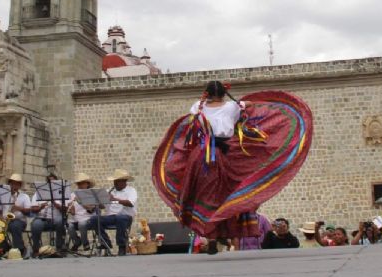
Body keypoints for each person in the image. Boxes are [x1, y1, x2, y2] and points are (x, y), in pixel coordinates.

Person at [152, 81, 314, 255]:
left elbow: (192, 122)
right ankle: (218, 233)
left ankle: (214, 235)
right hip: (221, 155)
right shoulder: (231, 107)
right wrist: (240, 103)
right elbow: (249, 105)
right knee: (223, 194)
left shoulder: (197, 107)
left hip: (198, 156)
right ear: (223, 93)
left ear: (206, 93)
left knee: (206, 195)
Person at [88, 169, 137, 256]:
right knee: (94, 219)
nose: (114, 183)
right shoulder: (109, 191)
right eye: (114, 181)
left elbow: (130, 203)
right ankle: (105, 242)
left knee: (120, 218)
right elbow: (103, 206)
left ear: (124, 181)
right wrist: (99, 202)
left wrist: (115, 199)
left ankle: (121, 246)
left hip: (125, 217)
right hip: (110, 217)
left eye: (117, 181)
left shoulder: (131, 190)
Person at [30, 174, 66, 257]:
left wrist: (55, 204)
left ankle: (59, 248)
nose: (51, 183)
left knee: (60, 221)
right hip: (42, 218)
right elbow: (33, 209)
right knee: (35, 225)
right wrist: (40, 207)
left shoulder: (61, 193)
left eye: (53, 182)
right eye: (49, 182)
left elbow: (65, 209)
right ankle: (36, 249)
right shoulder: (38, 193)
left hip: (56, 218)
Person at [3, 173, 32, 255]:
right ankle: (4, 248)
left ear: (19, 185)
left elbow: (28, 211)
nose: (14, 186)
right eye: (12, 183)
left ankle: (20, 249)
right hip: (6, 220)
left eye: (16, 184)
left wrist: (18, 208)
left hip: (20, 220)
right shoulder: (4, 195)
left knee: (15, 226)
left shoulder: (24, 196)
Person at [68, 173, 95, 252]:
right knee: (69, 226)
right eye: (78, 183)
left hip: (88, 219)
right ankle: (77, 241)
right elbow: (73, 213)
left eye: (82, 183)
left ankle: (85, 243)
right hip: (75, 219)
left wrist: (81, 202)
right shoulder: (73, 195)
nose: (80, 185)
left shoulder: (91, 194)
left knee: (82, 224)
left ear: (87, 184)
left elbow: (91, 210)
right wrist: (71, 209)